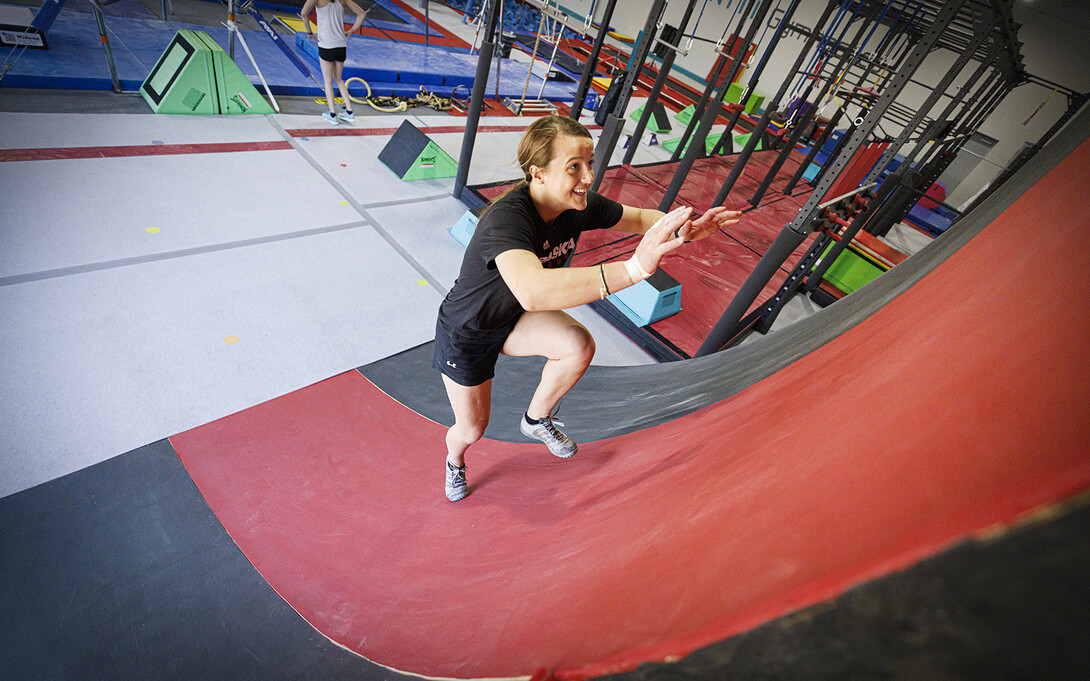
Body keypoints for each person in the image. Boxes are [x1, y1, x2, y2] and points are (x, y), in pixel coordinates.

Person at [435, 115, 742, 502]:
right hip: (469, 331)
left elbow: (642, 219)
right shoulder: (507, 219)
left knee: (578, 346)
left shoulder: (578, 204)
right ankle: (455, 461)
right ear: (538, 174)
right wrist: (632, 269)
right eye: (574, 167)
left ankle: (535, 419)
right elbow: (533, 291)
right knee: (472, 429)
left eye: (590, 163)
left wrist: (682, 229)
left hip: (513, 319)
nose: (588, 177)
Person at [299, 0, 367, 124]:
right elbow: (362, 14)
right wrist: (352, 30)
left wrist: (309, 32)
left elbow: (304, 13)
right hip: (341, 44)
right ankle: (349, 112)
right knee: (339, 79)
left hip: (326, 44)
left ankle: (332, 114)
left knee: (327, 81)